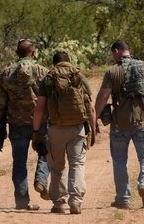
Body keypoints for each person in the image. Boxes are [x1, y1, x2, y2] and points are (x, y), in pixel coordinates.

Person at [93, 39, 144, 209]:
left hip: (119, 125)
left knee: (119, 160)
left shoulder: (113, 71)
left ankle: (123, 198)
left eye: (112, 54)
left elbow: (103, 97)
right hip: (142, 123)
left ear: (116, 51)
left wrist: (93, 118)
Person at [32, 51, 97, 215]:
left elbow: (39, 108)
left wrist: (36, 131)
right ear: (69, 61)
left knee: (57, 167)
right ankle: (75, 201)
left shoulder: (48, 79)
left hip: (55, 128)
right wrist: (93, 129)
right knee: (77, 164)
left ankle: (59, 203)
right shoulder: (79, 76)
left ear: (54, 64)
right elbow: (91, 107)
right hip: (77, 128)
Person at [0, 38, 50, 210]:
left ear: (17, 53)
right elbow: (51, 100)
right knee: (45, 153)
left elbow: (0, 104)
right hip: (41, 124)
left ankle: (22, 201)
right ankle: (41, 179)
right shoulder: (43, 72)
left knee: (19, 161)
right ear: (33, 53)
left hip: (16, 125)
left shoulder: (6, 74)